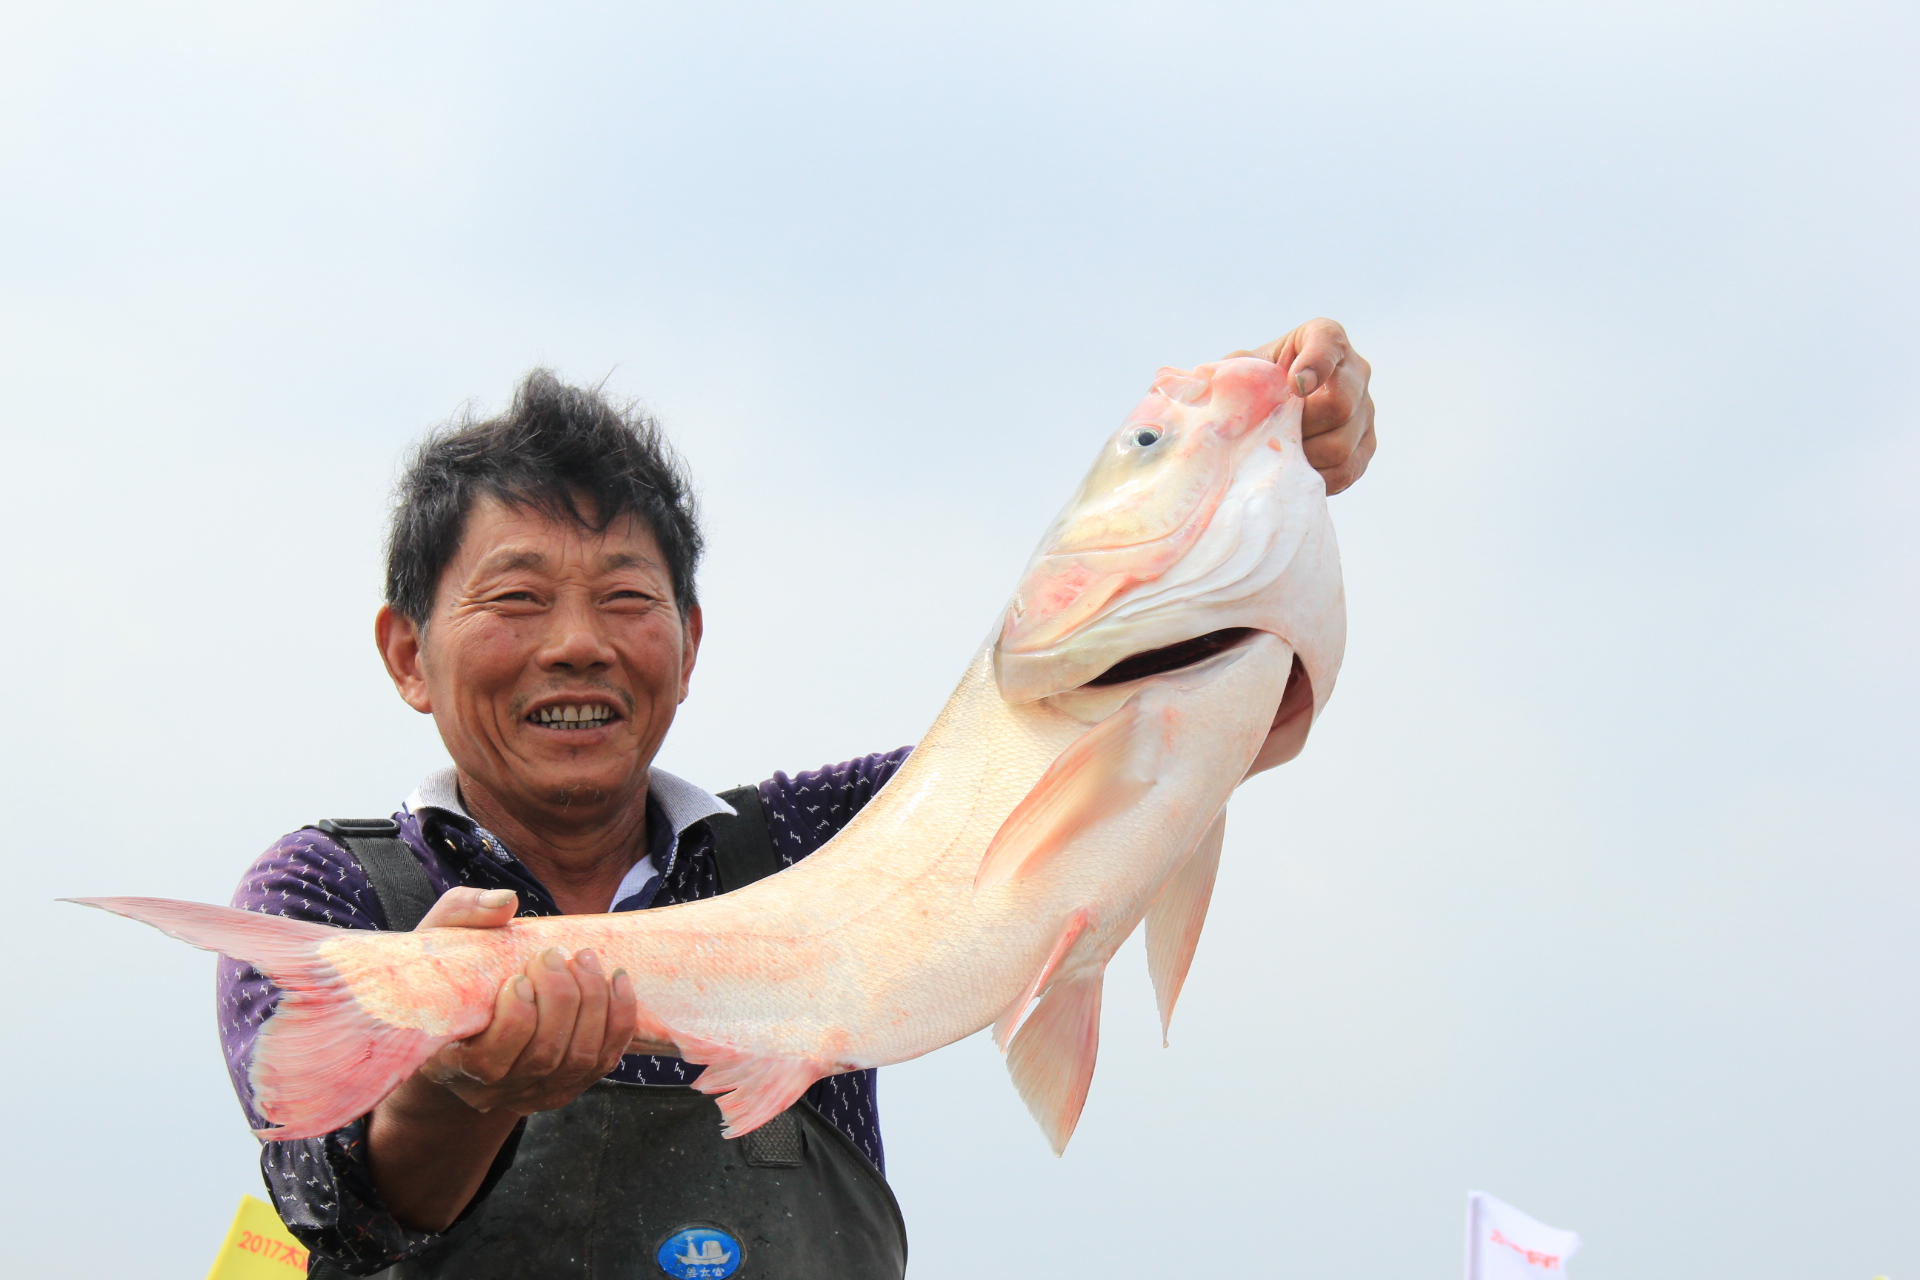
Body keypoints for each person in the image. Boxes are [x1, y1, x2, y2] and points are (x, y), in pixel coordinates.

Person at [217, 321, 1378, 1278]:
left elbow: (1150, 762)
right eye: (517, 597)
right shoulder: (330, 889)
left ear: (689, 641)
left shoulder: (820, 838)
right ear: (407, 652)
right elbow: (331, 1205)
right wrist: (464, 1090)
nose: (576, 643)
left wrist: (1284, 426)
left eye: (626, 597)